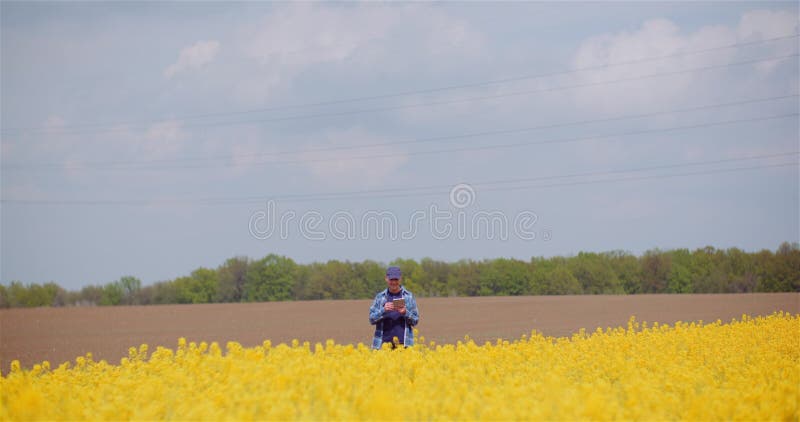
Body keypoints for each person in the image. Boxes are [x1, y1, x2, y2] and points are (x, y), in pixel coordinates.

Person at [368, 266, 420, 349]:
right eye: (391, 279)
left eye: (396, 279)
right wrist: (383, 310)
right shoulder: (380, 297)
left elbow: (415, 320)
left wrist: (405, 313)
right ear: (386, 279)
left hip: (404, 345)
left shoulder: (408, 296)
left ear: (400, 279)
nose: (394, 282)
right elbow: (371, 319)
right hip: (383, 345)